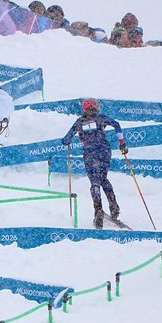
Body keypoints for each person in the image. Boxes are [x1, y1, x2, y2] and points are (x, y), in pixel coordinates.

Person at [61, 98, 128, 229]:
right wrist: (122, 142)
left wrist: (65, 141)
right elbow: (116, 124)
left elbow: (66, 139)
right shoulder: (101, 118)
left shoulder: (79, 122)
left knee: (95, 182)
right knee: (103, 178)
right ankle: (113, 206)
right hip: (104, 151)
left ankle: (98, 210)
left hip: (90, 153)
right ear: (96, 108)